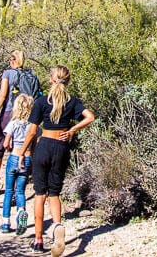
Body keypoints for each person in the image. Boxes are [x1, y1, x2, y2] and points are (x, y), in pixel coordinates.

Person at [20, 65, 95, 256]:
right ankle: (57, 226)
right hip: (61, 148)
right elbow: (90, 117)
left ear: (51, 79)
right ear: (67, 80)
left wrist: (22, 152)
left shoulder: (42, 101)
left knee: (39, 194)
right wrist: (71, 130)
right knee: (54, 193)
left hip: (44, 145)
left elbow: (31, 132)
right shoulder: (72, 102)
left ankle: (38, 240)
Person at [0, 49, 26, 189]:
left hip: (8, 113)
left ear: (13, 60)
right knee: (16, 148)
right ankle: (16, 187)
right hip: (23, 116)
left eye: (11, 59)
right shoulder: (29, 75)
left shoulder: (8, 73)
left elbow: (2, 96)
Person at [0, 93, 35, 235]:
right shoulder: (33, 126)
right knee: (20, 191)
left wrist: (10, 148)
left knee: (9, 191)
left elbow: (6, 143)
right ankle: (21, 212)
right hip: (27, 159)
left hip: (14, 157)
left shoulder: (13, 123)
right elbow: (34, 145)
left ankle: (5, 223)